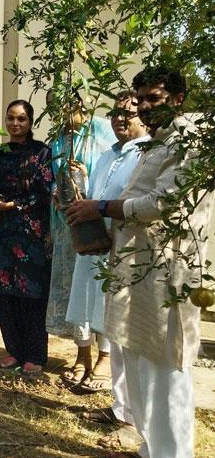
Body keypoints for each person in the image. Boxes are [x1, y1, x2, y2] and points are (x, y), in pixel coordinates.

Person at [66, 66, 212, 458]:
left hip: (167, 270)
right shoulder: (157, 144)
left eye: (154, 99)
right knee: (138, 357)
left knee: (165, 366)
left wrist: (99, 207)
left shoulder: (189, 141)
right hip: (135, 266)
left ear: (178, 99)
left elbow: (161, 205)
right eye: (141, 99)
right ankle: (149, 450)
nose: (145, 107)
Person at [64, 93, 148, 399]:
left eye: (128, 113)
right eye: (115, 113)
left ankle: (105, 358)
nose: (119, 119)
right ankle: (83, 355)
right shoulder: (107, 154)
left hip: (124, 242)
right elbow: (96, 193)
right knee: (86, 293)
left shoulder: (145, 153)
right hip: (94, 237)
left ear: (143, 116)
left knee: (110, 301)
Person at [0, 100, 52, 376]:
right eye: (11, 118)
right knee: (5, 292)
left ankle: (35, 354)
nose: (15, 124)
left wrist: (9, 205)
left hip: (31, 234)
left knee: (31, 294)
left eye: (21, 119)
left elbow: (43, 191)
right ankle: (13, 350)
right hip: (1, 232)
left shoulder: (42, 153)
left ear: (30, 122)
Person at [47, 91, 117, 387]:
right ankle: (82, 353)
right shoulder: (57, 140)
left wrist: (85, 177)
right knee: (75, 288)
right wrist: (55, 188)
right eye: (53, 108)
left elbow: (110, 172)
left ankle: (106, 355)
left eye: (64, 105)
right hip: (66, 225)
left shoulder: (101, 130)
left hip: (97, 221)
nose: (60, 112)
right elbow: (55, 176)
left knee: (101, 286)